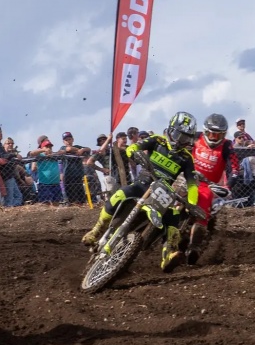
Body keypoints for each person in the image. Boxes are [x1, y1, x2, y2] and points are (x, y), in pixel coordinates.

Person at [82, 111, 200, 273]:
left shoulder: (186, 158)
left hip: (164, 192)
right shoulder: (157, 140)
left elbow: (192, 184)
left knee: (173, 216)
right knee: (120, 194)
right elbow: (133, 147)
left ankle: (168, 255)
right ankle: (97, 231)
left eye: (185, 138)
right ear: (171, 130)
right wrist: (134, 153)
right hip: (144, 183)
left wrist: (192, 204)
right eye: (178, 135)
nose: (180, 141)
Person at [187, 113, 239, 265]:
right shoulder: (195, 137)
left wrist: (228, 186)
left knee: (203, 210)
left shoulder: (228, 146)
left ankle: (194, 247)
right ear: (205, 131)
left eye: (218, 135)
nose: (214, 137)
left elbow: (235, 169)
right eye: (211, 134)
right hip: (186, 177)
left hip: (207, 185)